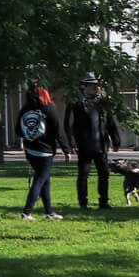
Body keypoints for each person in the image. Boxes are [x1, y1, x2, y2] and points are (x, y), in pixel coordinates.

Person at [64, 73, 123, 210]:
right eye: (92, 85)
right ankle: (83, 203)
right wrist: (71, 143)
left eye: (96, 85)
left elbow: (110, 121)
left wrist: (116, 139)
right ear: (84, 86)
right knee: (84, 174)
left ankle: (104, 201)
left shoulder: (102, 101)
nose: (95, 88)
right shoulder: (75, 102)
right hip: (84, 144)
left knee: (104, 173)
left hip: (101, 144)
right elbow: (68, 124)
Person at [16, 85, 65, 220]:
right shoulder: (49, 108)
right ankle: (27, 212)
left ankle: (49, 212)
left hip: (30, 150)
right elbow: (58, 131)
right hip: (45, 151)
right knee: (39, 180)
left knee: (45, 180)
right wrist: (66, 149)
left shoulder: (25, 109)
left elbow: (18, 131)